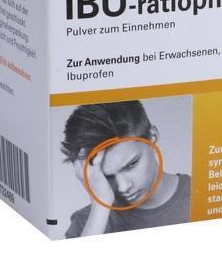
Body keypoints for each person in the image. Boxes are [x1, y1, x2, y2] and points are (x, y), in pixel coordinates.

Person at [61, 100, 191, 238]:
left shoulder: (202, 193)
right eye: (107, 176)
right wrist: (100, 207)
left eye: (131, 165)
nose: (123, 187)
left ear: (152, 139)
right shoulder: (87, 225)